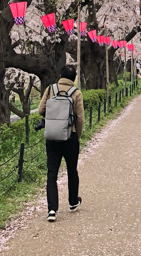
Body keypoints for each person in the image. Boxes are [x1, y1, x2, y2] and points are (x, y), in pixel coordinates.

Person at [38, 64, 85, 222]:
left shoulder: (51, 89)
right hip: (69, 136)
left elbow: (40, 110)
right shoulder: (76, 92)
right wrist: (77, 136)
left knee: (52, 173)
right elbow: (80, 118)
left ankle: (52, 209)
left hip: (52, 136)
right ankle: (72, 202)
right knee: (72, 170)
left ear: (60, 75)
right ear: (74, 78)